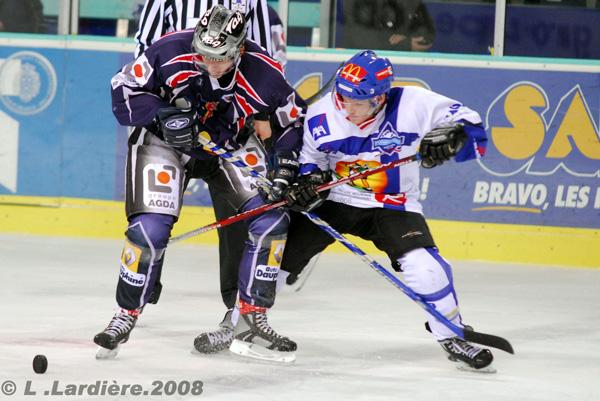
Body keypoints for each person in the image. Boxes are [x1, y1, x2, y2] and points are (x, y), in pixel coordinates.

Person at [94, 5, 305, 361]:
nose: (209, 64)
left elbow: (292, 121)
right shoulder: (170, 49)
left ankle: (250, 316)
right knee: (148, 232)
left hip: (228, 144)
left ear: (239, 50)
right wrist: (161, 116)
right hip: (164, 143)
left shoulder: (264, 72)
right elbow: (122, 87)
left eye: (219, 58)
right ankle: (125, 313)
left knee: (272, 219)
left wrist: (285, 164)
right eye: (203, 54)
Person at [279, 50, 494, 371]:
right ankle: (241, 321)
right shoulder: (322, 113)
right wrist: (308, 183)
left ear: (380, 98)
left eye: (358, 102)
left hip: (392, 204)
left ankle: (451, 334)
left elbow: (471, 123)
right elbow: (312, 162)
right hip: (334, 200)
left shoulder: (412, 103)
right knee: (273, 263)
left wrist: (454, 135)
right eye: (343, 98)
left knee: (427, 269)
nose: (347, 108)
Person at [340, 0, 435, 52]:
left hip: (404, 64)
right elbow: (360, 39)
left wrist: (407, 38)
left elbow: (427, 36)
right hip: (362, 64)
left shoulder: (411, 3)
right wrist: (404, 44)